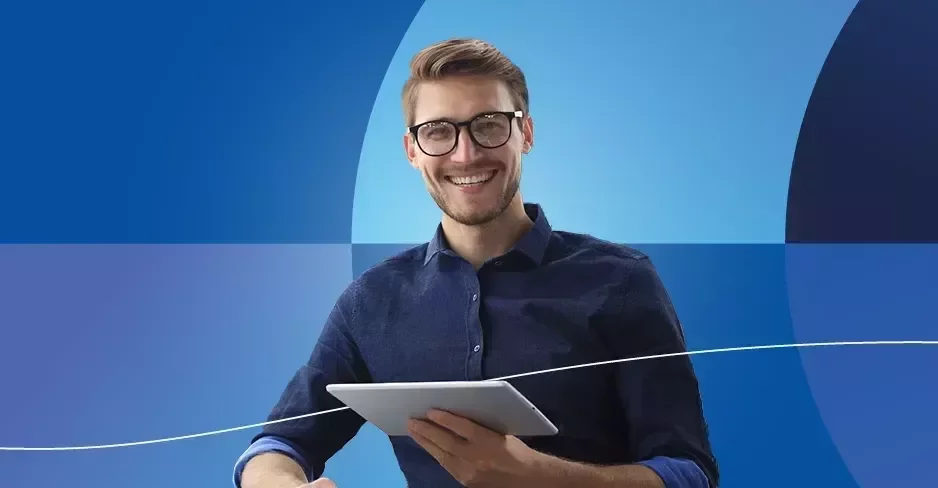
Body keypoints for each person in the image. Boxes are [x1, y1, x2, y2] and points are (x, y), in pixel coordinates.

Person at [233, 38, 719, 488]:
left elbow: (688, 473)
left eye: (488, 125)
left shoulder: (622, 280)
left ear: (524, 132)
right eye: (438, 131)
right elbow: (279, 443)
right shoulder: (371, 300)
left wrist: (538, 476)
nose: (465, 154)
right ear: (412, 150)